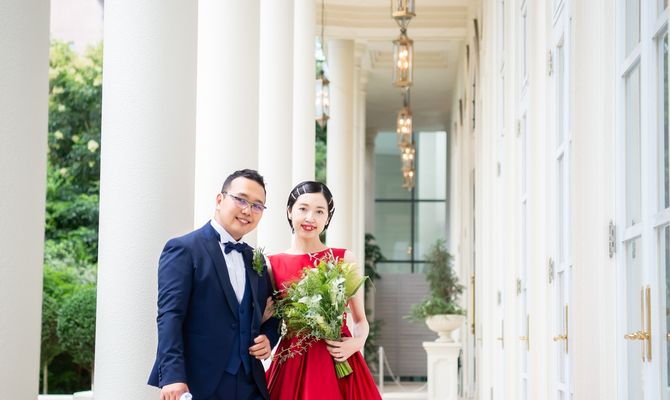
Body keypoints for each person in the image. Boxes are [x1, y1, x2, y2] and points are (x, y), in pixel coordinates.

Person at [148, 169, 280, 400]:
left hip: (251, 384)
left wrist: (269, 337)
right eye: (241, 199)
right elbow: (170, 316)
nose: (247, 210)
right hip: (198, 383)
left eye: (257, 205)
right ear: (220, 200)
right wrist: (172, 376)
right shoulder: (184, 249)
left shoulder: (256, 259)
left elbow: (274, 310)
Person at [265, 181, 381, 400]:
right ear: (290, 211)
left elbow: (360, 321)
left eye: (319, 211)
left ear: (328, 218)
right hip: (292, 361)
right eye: (303, 209)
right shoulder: (272, 264)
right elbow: (270, 319)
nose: (310, 218)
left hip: (337, 358)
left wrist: (357, 343)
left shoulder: (343, 258)